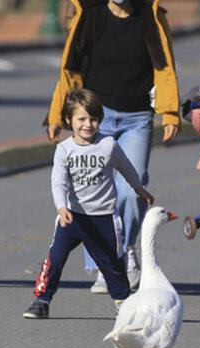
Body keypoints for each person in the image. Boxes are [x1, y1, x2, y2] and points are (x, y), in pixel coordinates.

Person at [44, 0, 180, 293]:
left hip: (136, 117)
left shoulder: (149, 15)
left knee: (134, 189)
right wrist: (58, 115)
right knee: (93, 193)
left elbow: (164, 67)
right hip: (95, 120)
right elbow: (71, 69)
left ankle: (125, 251)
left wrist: (170, 112)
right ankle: (105, 265)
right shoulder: (90, 17)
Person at [24, 89, 154, 319]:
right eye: (81, 119)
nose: (88, 124)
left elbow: (126, 167)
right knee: (55, 259)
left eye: (93, 119)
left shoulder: (108, 144)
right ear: (68, 120)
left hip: (104, 218)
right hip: (72, 217)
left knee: (112, 262)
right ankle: (42, 300)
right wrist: (61, 207)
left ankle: (123, 302)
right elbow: (58, 182)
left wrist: (138, 189)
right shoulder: (64, 149)